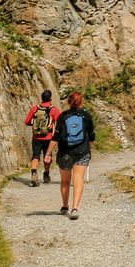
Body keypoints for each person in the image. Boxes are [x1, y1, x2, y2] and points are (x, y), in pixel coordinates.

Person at [43, 91, 95, 220]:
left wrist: (48, 153)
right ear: (81, 102)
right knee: (78, 180)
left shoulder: (62, 116)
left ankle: (65, 206)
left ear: (68, 102)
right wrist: (89, 149)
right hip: (82, 151)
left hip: (65, 152)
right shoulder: (86, 116)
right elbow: (92, 137)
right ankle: (75, 208)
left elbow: (55, 137)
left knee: (65, 181)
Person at [24, 90, 60, 187]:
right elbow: (60, 122)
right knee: (47, 156)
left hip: (36, 137)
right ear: (50, 98)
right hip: (48, 138)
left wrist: (36, 125)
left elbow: (26, 121)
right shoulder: (54, 110)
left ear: (42, 98)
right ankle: (46, 174)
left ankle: (34, 172)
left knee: (35, 155)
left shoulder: (35, 108)